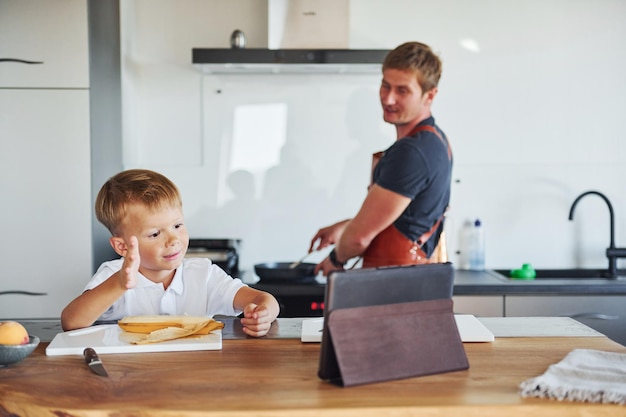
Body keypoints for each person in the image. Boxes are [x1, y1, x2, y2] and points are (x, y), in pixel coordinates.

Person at [61, 169, 280, 337]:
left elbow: (263, 298)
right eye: (155, 234)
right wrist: (118, 284)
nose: (173, 240)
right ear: (122, 247)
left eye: (177, 226)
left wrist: (264, 313)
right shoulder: (114, 275)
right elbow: (72, 322)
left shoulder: (203, 274)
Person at [309, 41, 452, 276]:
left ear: (430, 96)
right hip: (410, 280)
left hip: (396, 285)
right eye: (385, 86)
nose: (388, 99)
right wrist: (346, 226)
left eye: (402, 91)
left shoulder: (412, 152)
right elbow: (402, 220)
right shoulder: (436, 141)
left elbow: (359, 238)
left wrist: (336, 259)